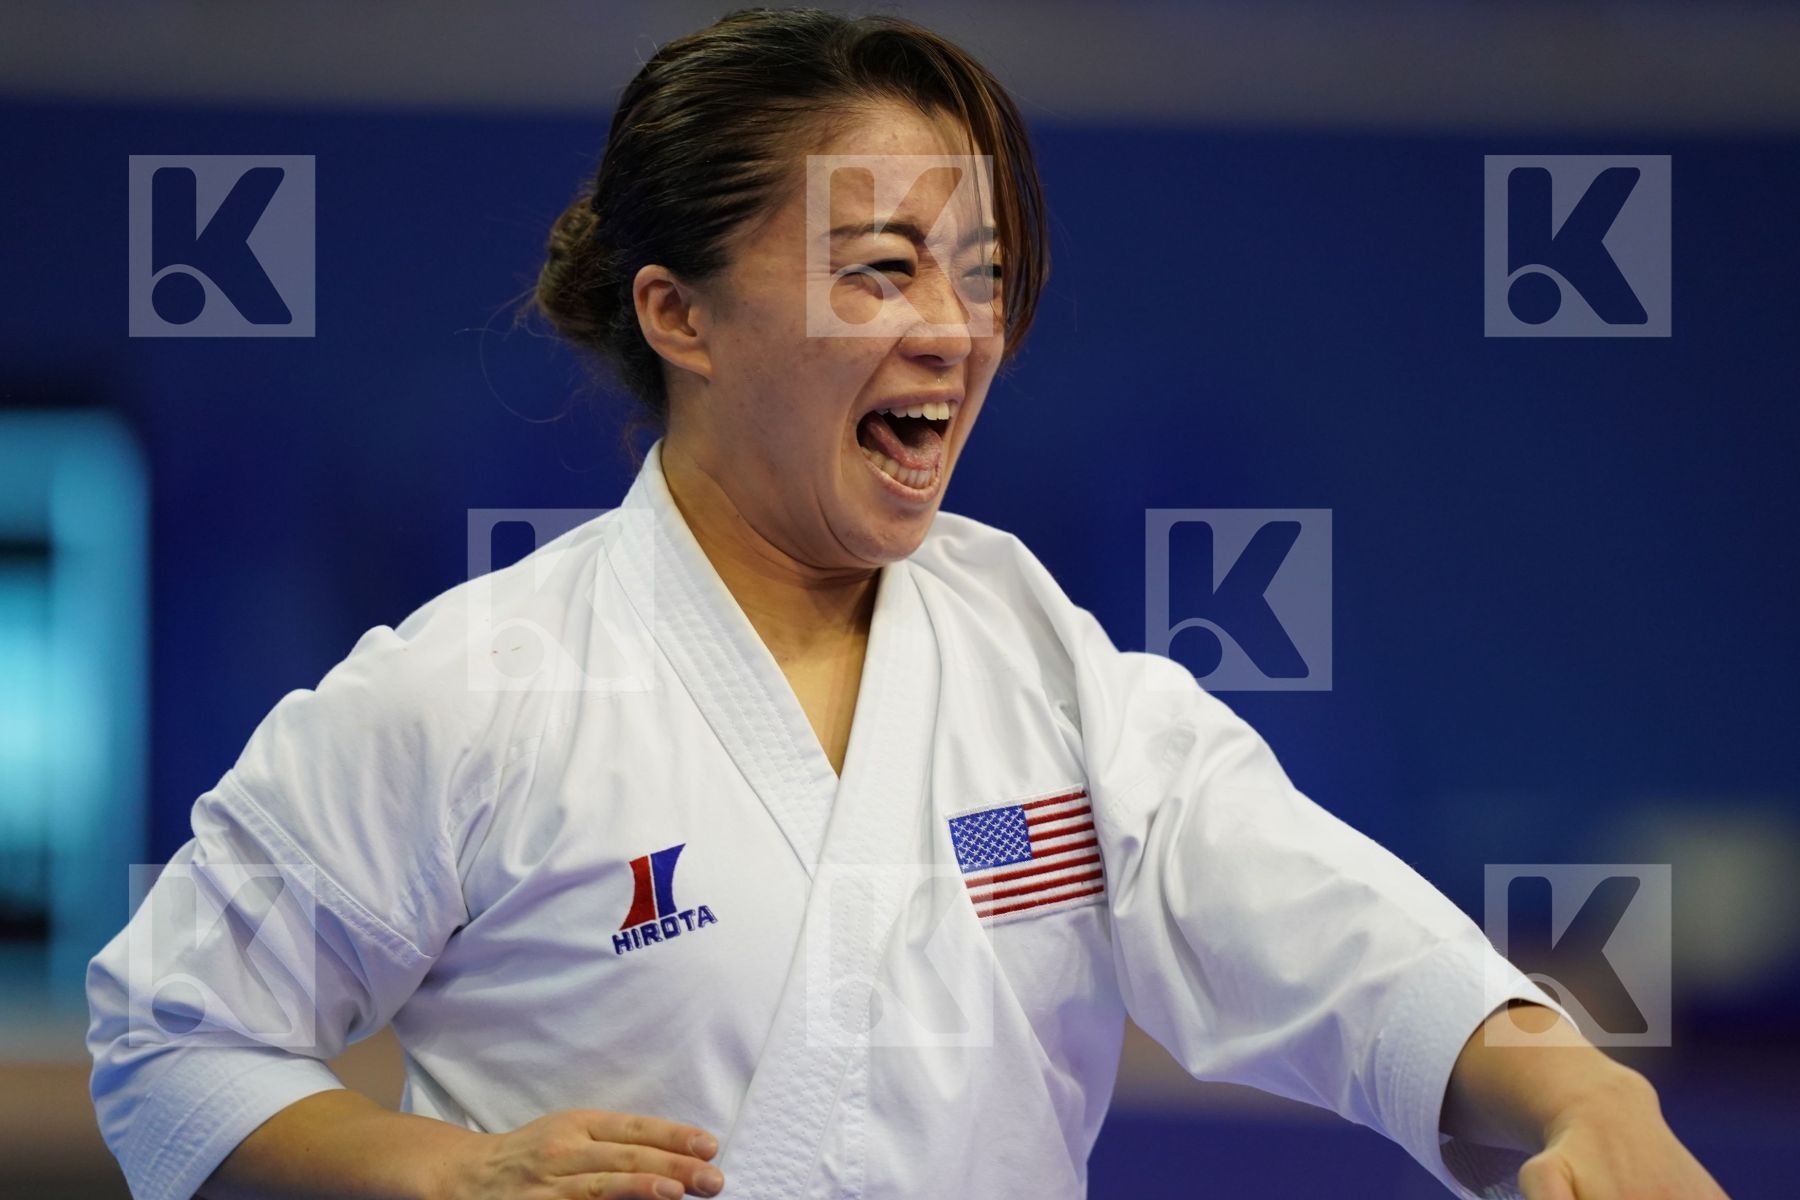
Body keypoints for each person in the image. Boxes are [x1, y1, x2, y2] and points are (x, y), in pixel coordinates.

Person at [87, 8, 1729, 1200]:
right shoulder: (477, 688)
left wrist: (1580, 1092)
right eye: (881, 266)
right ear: (683, 314)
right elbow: (170, 1045)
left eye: (985, 268)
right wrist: (428, 1176)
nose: (956, 326)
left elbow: (1337, 946)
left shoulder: (1050, 676)